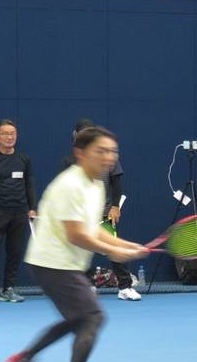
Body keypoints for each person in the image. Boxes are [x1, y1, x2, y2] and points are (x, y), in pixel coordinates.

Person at [2, 126, 148, 362]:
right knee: (92, 316)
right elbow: (76, 235)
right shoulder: (70, 185)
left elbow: (93, 228)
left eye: (113, 151)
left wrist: (125, 244)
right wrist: (114, 252)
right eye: (101, 151)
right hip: (53, 262)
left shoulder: (96, 184)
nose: (109, 157)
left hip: (64, 262)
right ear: (80, 153)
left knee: (78, 318)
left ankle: (25, 358)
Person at [59, 119, 141, 301]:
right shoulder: (68, 161)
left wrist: (115, 206)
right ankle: (86, 286)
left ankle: (125, 287)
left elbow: (116, 183)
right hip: (80, 216)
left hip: (105, 213)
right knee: (80, 251)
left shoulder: (105, 160)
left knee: (114, 246)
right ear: (76, 136)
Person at [0, 119, 37, 304]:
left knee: (15, 253)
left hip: (20, 213)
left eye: (13, 134)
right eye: (5, 133)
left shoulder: (24, 158)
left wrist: (32, 207)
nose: (10, 137)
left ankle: (8, 289)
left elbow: (29, 184)